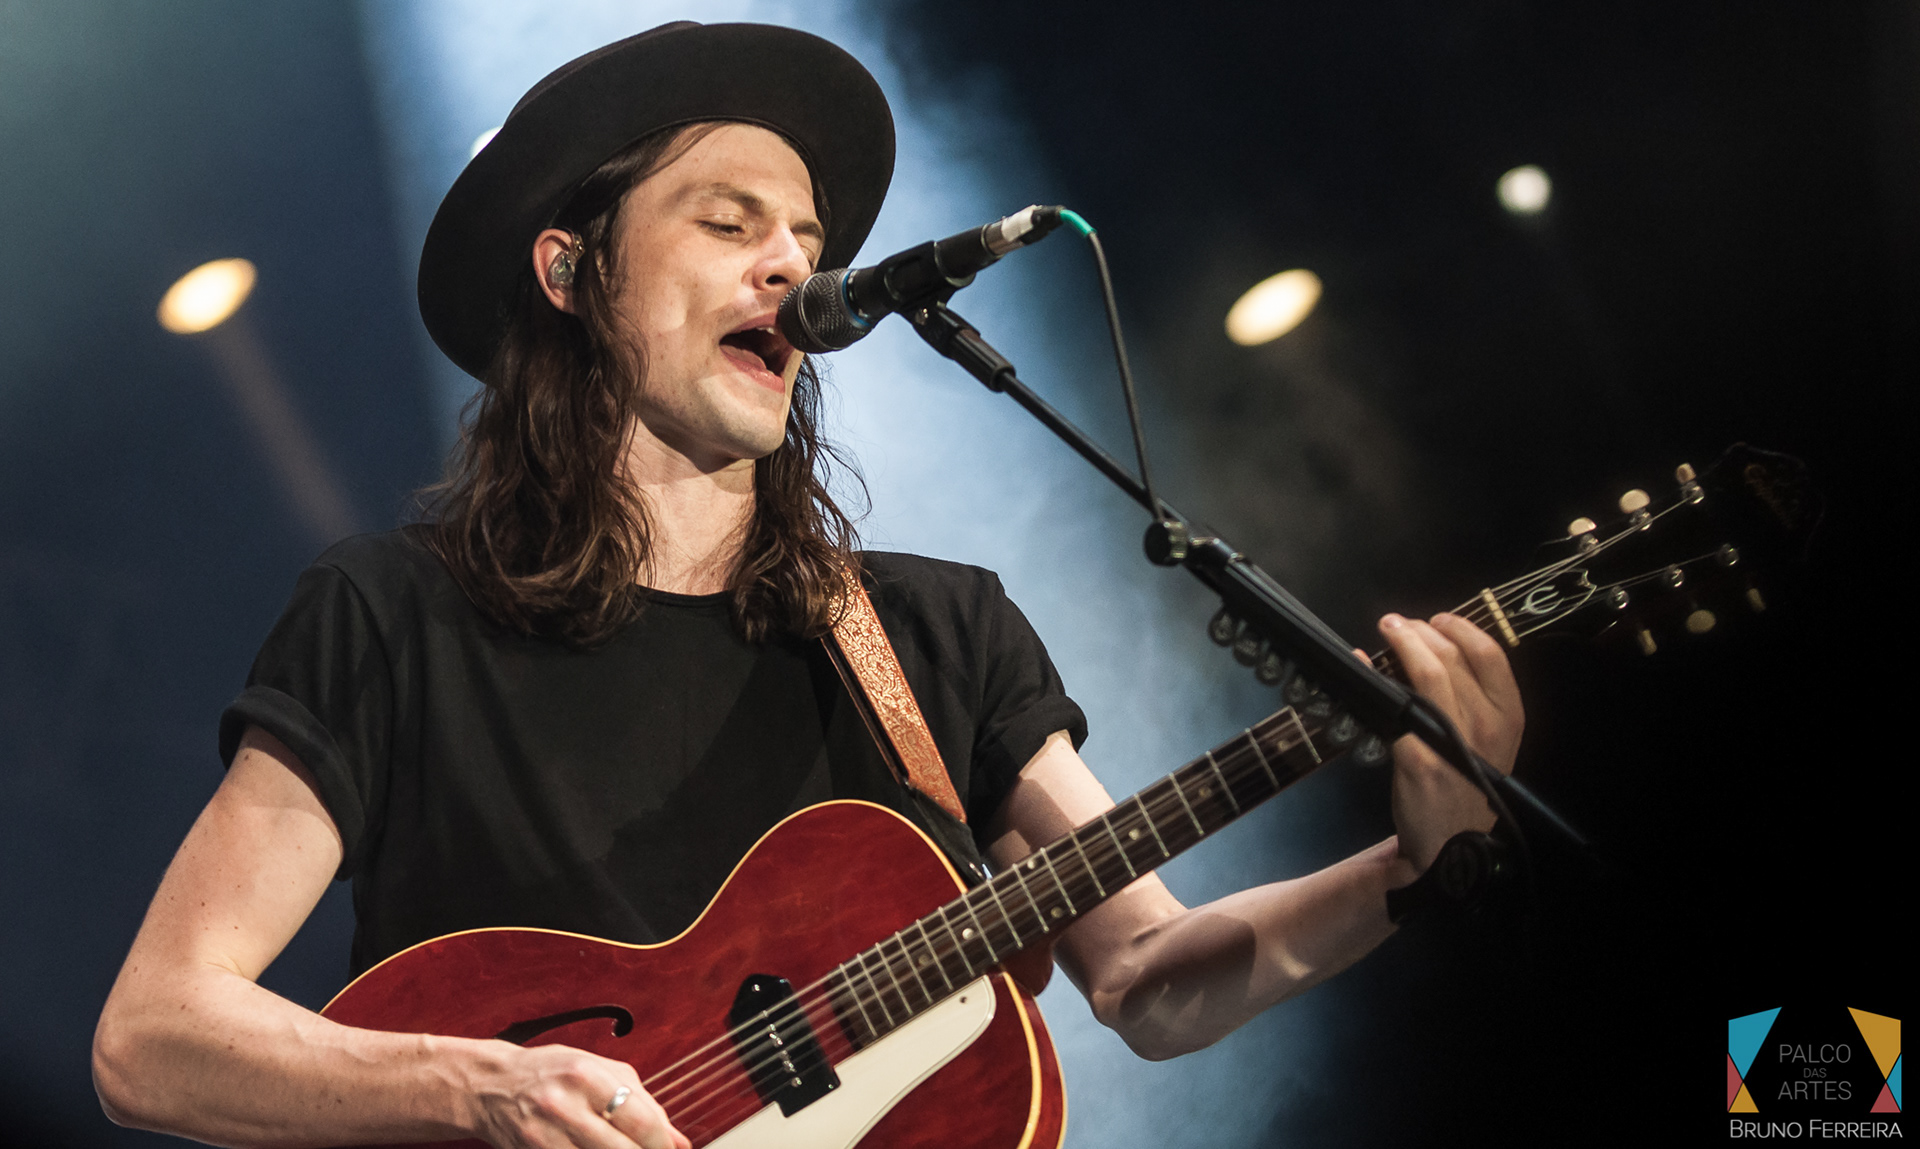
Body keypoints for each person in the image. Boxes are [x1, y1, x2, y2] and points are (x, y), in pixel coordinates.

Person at [91, 22, 1524, 1149]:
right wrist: (481, 1087)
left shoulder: (932, 630)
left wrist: (1407, 874)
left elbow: (1151, 977)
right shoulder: (391, 618)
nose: (792, 263)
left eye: (807, 240)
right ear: (570, 272)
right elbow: (152, 1035)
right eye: (729, 224)